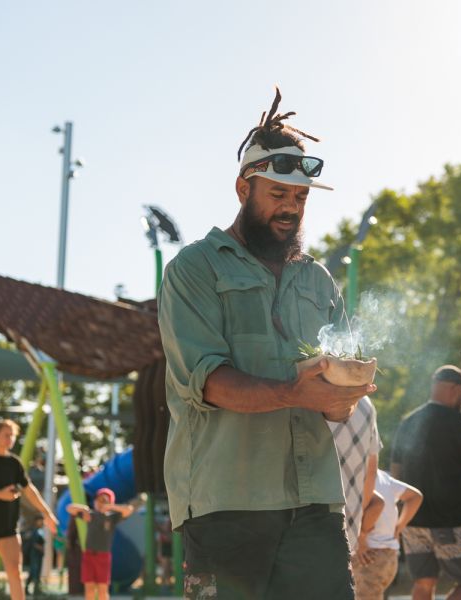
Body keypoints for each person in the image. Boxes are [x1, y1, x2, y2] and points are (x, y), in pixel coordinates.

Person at [158, 87, 375, 600]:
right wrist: (297, 391)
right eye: (277, 195)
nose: (290, 209)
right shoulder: (194, 269)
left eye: (299, 198)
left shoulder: (319, 280)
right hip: (226, 503)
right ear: (242, 188)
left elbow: (335, 396)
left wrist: (346, 392)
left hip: (317, 503)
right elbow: (209, 382)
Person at [392, 365, 461, 600]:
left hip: (413, 522)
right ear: (453, 388)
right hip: (451, 521)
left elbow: (395, 474)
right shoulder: (459, 422)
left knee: (423, 583)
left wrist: (398, 516)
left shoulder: (408, 422)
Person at [0, 419, 57, 600]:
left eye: (12, 435)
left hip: (8, 526)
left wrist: (47, 513)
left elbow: (30, 491)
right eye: (6, 435)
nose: (10, 439)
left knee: (15, 571)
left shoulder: (14, 463)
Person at [352, 469, 423, 600]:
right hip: (389, 556)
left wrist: (361, 539)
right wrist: (398, 528)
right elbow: (415, 496)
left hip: (368, 556)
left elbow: (377, 505)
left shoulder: (356, 475)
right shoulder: (383, 477)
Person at [329, 395, 382, 553]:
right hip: (348, 530)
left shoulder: (300, 388)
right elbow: (370, 473)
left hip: (300, 531)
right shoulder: (365, 402)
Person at [67, 488, 135, 600]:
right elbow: (69, 508)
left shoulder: (113, 517)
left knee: (103, 589)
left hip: (103, 557)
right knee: (89, 588)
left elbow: (129, 509)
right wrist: (84, 508)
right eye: (98, 500)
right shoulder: (91, 515)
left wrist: (111, 507)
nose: (100, 503)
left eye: (104, 500)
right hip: (88, 555)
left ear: (110, 502)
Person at [21, 516, 44, 596]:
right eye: (40, 521)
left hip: (38, 555)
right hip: (34, 555)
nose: (41, 522)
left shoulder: (40, 530)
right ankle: (36, 591)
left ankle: (30, 590)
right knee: (35, 573)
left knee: (33, 573)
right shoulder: (34, 531)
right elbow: (33, 543)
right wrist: (41, 548)